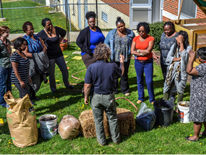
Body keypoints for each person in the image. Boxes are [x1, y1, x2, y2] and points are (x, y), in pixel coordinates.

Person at [84, 43, 124, 146]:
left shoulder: (91, 67)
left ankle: (102, 142)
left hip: (96, 97)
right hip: (109, 97)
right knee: (112, 118)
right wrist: (122, 62)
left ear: (96, 54)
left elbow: (87, 85)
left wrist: (86, 97)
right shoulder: (113, 66)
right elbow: (121, 73)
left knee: (98, 120)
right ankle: (116, 140)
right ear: (108, 53)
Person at [38, 18, 73, 93]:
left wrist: (60, 40)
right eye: (48, 25)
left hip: (59, 54)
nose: (50, 25)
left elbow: (64, 32)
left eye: (51, 23)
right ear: (44, 26)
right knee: (52, 73)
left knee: (64, 69)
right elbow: (38, 40)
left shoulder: (56, 29)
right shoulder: (42, 34)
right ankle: (53, 88)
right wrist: (43, 46)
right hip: (50, 56)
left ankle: (67, 84)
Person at [104, 17, 135, 96]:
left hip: (125, 57)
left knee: (124, 74)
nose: (121, 28)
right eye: (118, 27)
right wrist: (109, 50)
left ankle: (125, 90)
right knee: (114, 73)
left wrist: (133, 52)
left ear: (124, 24)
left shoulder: (130, 33)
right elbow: (106, 42)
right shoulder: (111, 33)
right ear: (116, 27)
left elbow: (134, 43)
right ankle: (114, 90)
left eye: (122, 26)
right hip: (114, 56)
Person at [163, 31, 192, 104]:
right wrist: (177, 59)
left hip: (181, 72)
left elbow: (184, 57)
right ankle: (165, 104)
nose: (178, 40)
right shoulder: (174, 46)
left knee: (180, 89)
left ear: (184, 39)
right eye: (178, 38)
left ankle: (178, 108)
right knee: (167, 86)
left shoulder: (188, 47)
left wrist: (181, 43)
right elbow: (168, 58)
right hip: (171, 70)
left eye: (180, 38)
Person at [22, 21, 48, 101]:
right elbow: (25, 53)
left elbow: (44, 46)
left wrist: (42, 53)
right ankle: (29, 98)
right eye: (30, 29)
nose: (32, 31)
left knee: (39, 78)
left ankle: (34, 95)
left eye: (32, 29)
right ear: (25, 30)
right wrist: (36, 56)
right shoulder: (25, 40)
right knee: (31, 78)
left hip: (40, 61)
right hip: (31, 62)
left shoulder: (37, 37)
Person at [131, 22, 155, 104]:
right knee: (139, 80)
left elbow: (148, 51)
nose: (141, 33)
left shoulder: (151, 39)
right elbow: (132, 51)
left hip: (148, 63)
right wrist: (142, 53)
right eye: (140, 31)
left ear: (146, 30)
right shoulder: (135, 39)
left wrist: (137, 51)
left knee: (149, 81)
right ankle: (140, 97)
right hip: (138, 62)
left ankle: (152, 99)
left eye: (143, 31)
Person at [185, 47, 206, 141]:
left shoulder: (203, 67)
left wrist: (192, 58)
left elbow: (189, 71)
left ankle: (195, 136)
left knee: (198, 116)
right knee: (205, 114)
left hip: (200, 95)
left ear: (201, 57)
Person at [11, 38, 34, 105]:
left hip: (25, 78)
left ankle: (23, 112)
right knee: (25, 96)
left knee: (25, 95)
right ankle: (28, 111)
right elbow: (15, 69)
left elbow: (26, 67)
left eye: (26, 44)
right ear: (19, 45)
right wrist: (20, 81)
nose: (25, 46)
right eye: (24, 45)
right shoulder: (15, 55)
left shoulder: (23, 54)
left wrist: (28, 77)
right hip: (18, 79)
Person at [159, 22, 178, 102]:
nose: (166, 31)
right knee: (165, 77)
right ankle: (167, 92)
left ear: (172, 28)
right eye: (165, 30)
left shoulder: (177, 36)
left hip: (172, 61)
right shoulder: (163, 35)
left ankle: (172, 94)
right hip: (163, 60)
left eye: (168, 29)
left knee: (172, 78)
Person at [0, 26, 11, 108]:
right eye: (6, 32)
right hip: (2, 66)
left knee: (8, 84)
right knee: (2, 84)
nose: (8, 34)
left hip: (9, 65)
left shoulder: (7, 41)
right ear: (1, 33)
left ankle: (9, 99)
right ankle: (2, 101)